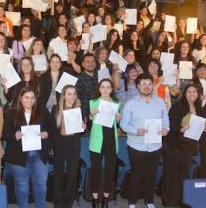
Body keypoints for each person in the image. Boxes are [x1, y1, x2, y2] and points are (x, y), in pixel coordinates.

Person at [120, 73, 169, 208]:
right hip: (136, 146)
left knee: (151, 175)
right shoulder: (130, 104)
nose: (146, 86)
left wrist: (165, 129)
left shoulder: (160, 102)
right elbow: (123, 125)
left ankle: (149, 201)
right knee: (136, 175)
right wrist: (136, 131)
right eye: (143, 83)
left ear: (153, 85)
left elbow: (165, 120)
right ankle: (132, 202)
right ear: (137, 86)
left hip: (155, 146)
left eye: (149, 83)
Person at [3, 87, 54, 208]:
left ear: (35, 99)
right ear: (20, 98)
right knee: (22, 185)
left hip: (39, 154)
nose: (29, 100)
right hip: (18, 156)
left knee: (41, 184)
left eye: (32, 98)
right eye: (26, 97)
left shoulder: (42, 111)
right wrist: (14, 135)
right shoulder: (11, 113)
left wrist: (47, 133)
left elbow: (52, 127)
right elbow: (5, 133)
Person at [162, 84, 206, 207]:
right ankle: (169, 201)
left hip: (187, 145)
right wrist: (182, 128)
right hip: (173, 144)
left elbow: (199, 124)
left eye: (194, 92)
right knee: (171, 173)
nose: (192, 94)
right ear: (184, 93)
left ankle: (181, 200)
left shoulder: (198, 107)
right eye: (189, 92)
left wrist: (204, 126)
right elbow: (171, 124)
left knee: (183, 173)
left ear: (198, 94)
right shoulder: (178, 106)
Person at [89, 79, 121, 208]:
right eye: (103, 87)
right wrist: (91, 115)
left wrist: (118, 119)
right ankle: (95, 199)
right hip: (97, 140)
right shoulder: (93, 102)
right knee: (95, 170)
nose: (106, 89)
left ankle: (106, 198)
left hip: (111, 140)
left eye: (108, 87)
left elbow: (116, 123)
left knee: (110, 170)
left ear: (112, 89)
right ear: (99, 89)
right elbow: (90, 120)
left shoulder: (116, 103)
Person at [52, 85, 86, 208]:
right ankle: (58, 203)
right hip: (59, 143)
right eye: (69, 94)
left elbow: (82, 128)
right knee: (58, 175)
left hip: (73, 144)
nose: (72, 96)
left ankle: (68, 203)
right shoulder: (56, 109)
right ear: (64, 95)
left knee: (72, 175)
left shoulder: (79, 109)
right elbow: (52, 128)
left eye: (74, 94)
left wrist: (83, 127)